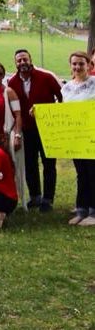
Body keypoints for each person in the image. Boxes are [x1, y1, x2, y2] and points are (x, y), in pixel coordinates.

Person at [7, 49, 63, 211]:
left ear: (30, 60)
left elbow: (62, 97)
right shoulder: (12, 82)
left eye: (25, 59)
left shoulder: (46, 77)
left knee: (49, 164)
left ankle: (48, 199)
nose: (22, 63)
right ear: (15, 63)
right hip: (27, 129)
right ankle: (35, 196)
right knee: (30, 163)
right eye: (19, 61)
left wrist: (54, 113)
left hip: (47, 129)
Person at [61, 51, 95, 226]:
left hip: (92, 137)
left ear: (89, 65)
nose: (77, 67)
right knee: (81, 174)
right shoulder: (66, 88)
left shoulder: (94, 84)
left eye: (81, 63)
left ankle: (94, 213)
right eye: (74, 64)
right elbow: (62, 112)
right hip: (76, 139)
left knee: (93, 173)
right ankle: (81, 209)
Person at [0, 62, 23, 150]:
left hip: (5, 137)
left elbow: (18, 115)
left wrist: (17, 136)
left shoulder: (9, 92)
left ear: (3, 76)